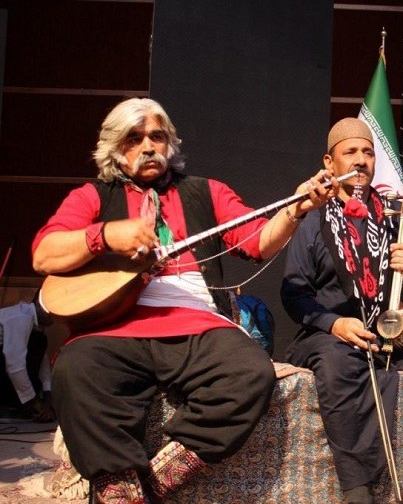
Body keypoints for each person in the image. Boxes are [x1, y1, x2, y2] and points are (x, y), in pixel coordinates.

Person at [31, 97, 337, 503]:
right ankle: (118, 484)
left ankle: (155, 484)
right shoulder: (92, 196)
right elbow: (43, 254)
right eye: (133, 139)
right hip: (114, 324)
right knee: (74, 368)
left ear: (170, 143)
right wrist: (104, 236)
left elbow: (259, 242)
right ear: (114, 149)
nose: (148, 147)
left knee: (250, 372)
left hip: (195, 320)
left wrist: (296, 210)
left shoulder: (205, 191)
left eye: (157, 137)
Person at [281, 118, 403, 504]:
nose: (361, 160)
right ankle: (358, 489)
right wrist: (334, 323)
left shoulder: (399, 212)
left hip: (392, 328)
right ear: (330, 162)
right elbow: (294, 294)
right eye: (351, 152)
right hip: (332, 335)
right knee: (340, 365)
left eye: (368, 152)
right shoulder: (313, 217)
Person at [0, 295, 54, 422]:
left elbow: (43, 362)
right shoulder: (21, 317)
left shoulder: (34, 326)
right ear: (39, 303)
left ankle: (21, 404)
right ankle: (12, 405)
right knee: (38, 341)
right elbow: (14, 363)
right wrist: (33, 402)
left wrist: (48, 397)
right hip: (6, 368)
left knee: (39, 340)